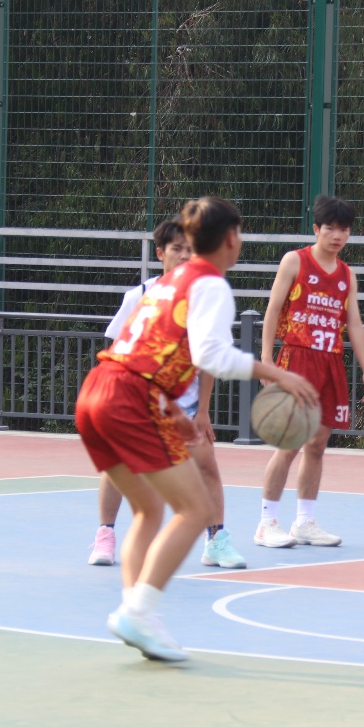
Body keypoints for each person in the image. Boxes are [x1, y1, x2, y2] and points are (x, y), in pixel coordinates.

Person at [75, 197, 317, 662]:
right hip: (131, 398)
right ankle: (138, 612)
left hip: (99, 391)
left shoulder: (168, 282)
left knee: (148, 509)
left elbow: (144, 350)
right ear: (230, 238)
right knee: (196, 508)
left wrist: (173, 409)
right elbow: (212, 356)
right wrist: (275, 372)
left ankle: (137, 613)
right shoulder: (210, 282)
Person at [88, 219, 246, 570]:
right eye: (177, 249)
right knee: (117, 467)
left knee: (207, 467)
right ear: (160, 253)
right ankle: (105, 535)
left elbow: (208, 360)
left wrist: (203, 410)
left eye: (191, 250)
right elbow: (116, 351)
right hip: (135, 403)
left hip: (184, 405)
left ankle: (216, 541)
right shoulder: (139, 296)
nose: (185, 256)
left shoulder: (204, 297)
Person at [254, 195, 364, 548]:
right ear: (316, 229)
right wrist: (266, 358)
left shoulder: (347, 274)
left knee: (318, 444)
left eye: (344, 229)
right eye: (330, 228)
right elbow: (273, 308)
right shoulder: (295, 261)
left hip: (330, 361)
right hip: (297, 359)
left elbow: (354, 323)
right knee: (290, 443)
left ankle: (304, 522)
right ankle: (266, 522)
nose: (337, 235)